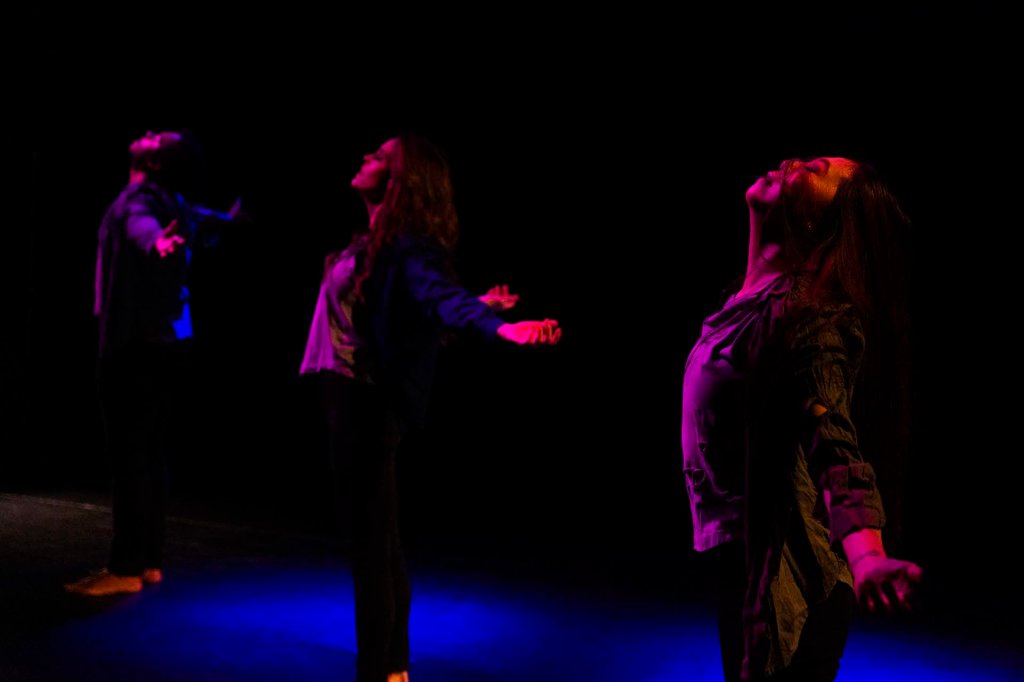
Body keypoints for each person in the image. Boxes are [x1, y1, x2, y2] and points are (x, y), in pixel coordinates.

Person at [299, 133, 560, 682]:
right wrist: (482, 307)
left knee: (370, 548)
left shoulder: (408, 245)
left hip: (364, 402)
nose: (365, 156)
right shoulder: (375, 242)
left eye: (380, 157)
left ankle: (379, 669)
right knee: (381, 541)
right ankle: (393, 665)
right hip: (351, 398)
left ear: (402, 179)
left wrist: (498, 327)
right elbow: (413, 308)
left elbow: (440, 296)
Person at [680, 156, 923, 681]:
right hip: (746, 568)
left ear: (823, 224)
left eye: (814, 169)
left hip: (794, 587)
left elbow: (833, 442)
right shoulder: (747, 301)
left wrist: (867, 556)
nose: (791, 161)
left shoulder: (811, 324)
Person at [66, 130, 241, 597]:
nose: (147, 134)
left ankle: (125, 567)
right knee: (151, 453)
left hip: (133, 346)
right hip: (166, 344)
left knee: (129, 457)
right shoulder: (174, 202)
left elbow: (141, 228)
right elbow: (208, 222)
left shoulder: (139, 201)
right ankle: (148, 561)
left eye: (157, 139)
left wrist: (157, 245)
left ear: (157, 163)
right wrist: (226, 221)